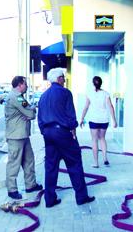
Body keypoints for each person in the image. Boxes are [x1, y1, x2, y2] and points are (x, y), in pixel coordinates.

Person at [38, 68, 95, 207]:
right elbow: (70, 114)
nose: (64, 79)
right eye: (63, 77)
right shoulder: (65, 93)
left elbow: (39, 118)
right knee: (74, 163)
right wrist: (73, 129)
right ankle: (81, 197)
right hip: (62, 132)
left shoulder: (43, 96)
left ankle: (49, 200)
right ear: (58, 79)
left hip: (48, 133)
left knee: (51, 166)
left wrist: (45, 132)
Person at [5, 76, 42, 200]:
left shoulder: (20, 97)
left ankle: (30, 185)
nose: (27, 86)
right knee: (14, 163)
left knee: (29, 160)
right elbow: (31, 112)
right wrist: (30, 112)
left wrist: (31, 111)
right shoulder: (15, 97)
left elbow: (31, 108)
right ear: (20, 84)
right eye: (25, 84)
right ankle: (12, 190)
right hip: (16, 136)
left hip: (23, 135)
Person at [80, 76, 117, 168]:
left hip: (94, 120)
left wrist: (81, 118)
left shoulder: (89, 94)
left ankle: (96, 163)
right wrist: (114, 120)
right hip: (104, 120)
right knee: (102, 138)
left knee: (94, 140)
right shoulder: (106, 94)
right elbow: (111, 107)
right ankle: (105, 159)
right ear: (101, 83)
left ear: (93, 84)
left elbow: (86, 107)